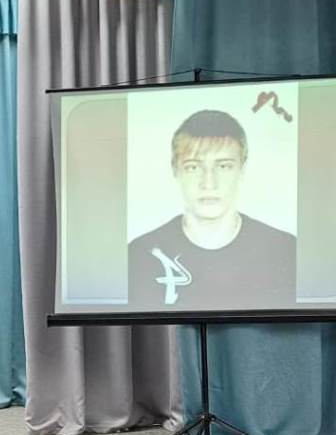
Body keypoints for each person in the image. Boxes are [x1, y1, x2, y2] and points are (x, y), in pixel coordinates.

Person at [127, 109, 296, 311]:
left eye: (223, 166)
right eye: (193, 167)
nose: (209, 183)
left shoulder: (286, 252)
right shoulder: (138, 256)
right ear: (175, 170)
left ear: (242, 169)